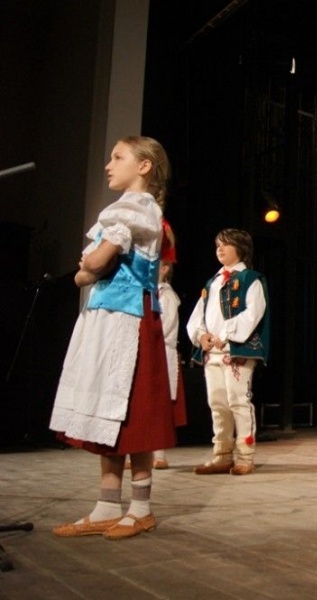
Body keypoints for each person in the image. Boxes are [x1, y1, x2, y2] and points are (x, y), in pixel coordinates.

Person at [50, 136, 175, 540]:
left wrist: (89, 267)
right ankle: (107, 505)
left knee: (131, 408)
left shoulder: (137, 208)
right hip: (110, 315)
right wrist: (88, 269)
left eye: (118, 157)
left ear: (144, 167)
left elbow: (94, 263)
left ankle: (140, 508)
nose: (108, 164)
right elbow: (87, 270)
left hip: (129, 319)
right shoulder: (125, 210)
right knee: (108, 409)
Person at [187, 229, 270, 475]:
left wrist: (225, 335)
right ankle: (222, 454)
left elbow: (254, 313)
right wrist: (201, 335)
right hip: (212, 351)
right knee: (217, 403)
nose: (220, 250)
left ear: (241, 248)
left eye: (226, 245)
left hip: (236, 350)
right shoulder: (212, 282)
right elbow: (198, 315)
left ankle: (245, 455)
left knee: (238, 401)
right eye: (217, 246)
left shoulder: (250, 279)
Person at [152, 224, 187, 469]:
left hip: (161, 353)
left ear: (164, 268)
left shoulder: (167, 296)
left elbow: (166, 329)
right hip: (146, 351)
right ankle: (140, 451)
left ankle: (159, 454)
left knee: (159, 405)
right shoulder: (147, 292)